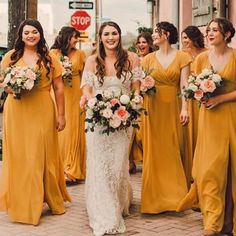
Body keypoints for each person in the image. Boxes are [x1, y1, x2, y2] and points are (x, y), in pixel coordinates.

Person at [0, 19, 71, 225]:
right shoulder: (10, 57)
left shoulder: (50, 58)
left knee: (39, 156)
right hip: (17, 110)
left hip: (42, 109)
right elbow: (3, 82)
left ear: (40, 34)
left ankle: (46, 196)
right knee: (22, 156)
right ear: (21, 35)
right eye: (26, 32)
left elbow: (58, 88)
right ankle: (24, 202)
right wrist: (12, 87)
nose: (30, 36)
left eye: (34, 32)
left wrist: (61, 115)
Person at [81, 21, 142, 236]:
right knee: (99, 164)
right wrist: (97, 104)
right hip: (98, 120)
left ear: (119, 35)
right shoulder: (91, 60)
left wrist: (130, 106)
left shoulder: (131, 58)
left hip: (123, 120)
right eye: (106, 34)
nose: (111, 37)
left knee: (117, 165)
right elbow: (87, 90)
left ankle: (119, 201)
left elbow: (136, 90)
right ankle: (105, 212)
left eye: (114, 33)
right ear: (100, 37)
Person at [177, 18, 236, 236]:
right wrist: (199, 93)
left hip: (231, 118)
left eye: (215, 30)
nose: (210, 34)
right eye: (208, 30)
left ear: (227, 34)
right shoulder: (201, 59)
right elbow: (192, 86)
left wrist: (220, 99)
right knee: (209, 170)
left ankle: (230, 221)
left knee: (231, 169)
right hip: (209, 120)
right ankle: (212, 221)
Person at [141, 21, 191, 213]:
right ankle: (154, 200)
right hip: (152, 108)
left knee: (173, 147)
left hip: (173, 107)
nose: (153, 35)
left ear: (167, 34)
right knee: (154, 151)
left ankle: (175, 198)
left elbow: (184, 85)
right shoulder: (147, 59)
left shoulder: (183, 57)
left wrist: (185, 108)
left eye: (156, 32)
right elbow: (139, 83)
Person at [51, 26, 86, 184]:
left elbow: (85, 76)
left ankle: (71, 169)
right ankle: (58, 168)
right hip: (57, 95)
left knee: (73, 131)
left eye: (77, 37)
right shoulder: (53, 54)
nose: (76, 40)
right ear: (66, 37)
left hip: (75, 96)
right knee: (60, 133)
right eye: (74, 37)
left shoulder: (80, 54)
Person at [181, 25, 207, 184]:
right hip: (188, 99)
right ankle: (189, 172)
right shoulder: (182, 55)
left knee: (201, 133)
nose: (184, 41)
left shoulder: (206, 53)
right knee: (188, 135)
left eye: (186, 38)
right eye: (182, 38)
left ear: (194, 38)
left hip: (203, 98)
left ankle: (201, 169)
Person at [129, 31, 154, 174]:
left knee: (143, 133)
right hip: (135, 98)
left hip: (149, 98)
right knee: (133, 131)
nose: (141, 45)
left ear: (149, 44)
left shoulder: (153, 59)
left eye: (144, 42)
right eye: (139, 42)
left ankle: (149, 159)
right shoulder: (133, 59)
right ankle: (130, 161)